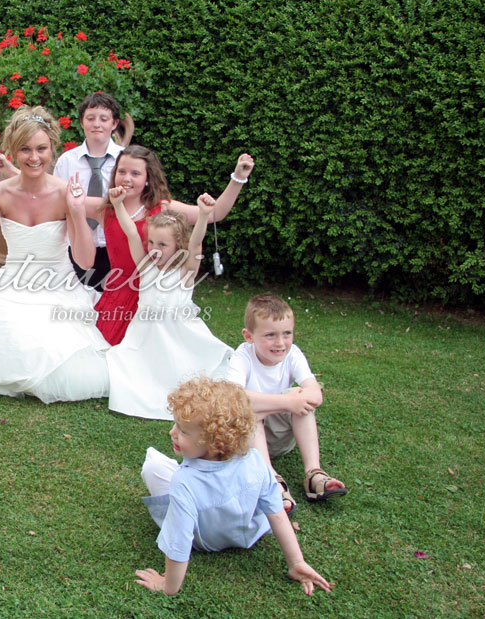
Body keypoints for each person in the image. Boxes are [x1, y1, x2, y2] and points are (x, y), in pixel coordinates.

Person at [0, 105, 109, 403]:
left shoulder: (67, 192)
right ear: (13, 151)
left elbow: (86, 261)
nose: (34, 157)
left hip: (58, 287)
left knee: (46, 341)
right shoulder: (0, 192)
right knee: (2, 324)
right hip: (12, 283)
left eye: (41, 149)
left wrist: (77, 213)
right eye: (25, 149)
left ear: (53, 149)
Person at [136, 378, 333, 596]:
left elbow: (179, 541)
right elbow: (276, 512)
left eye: (183, 431)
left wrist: (168, 587)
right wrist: (296, 561)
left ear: (212, 443)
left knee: (153, 465)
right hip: (248, 532)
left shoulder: (184, 482)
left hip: (206, 541)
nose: (172, 433)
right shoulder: (256, 460)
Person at [91, 146, 253, 345]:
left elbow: (214, 214)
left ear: (148, 177)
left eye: (135, 173)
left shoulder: (164, 207)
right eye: (122, 171)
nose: (127, 178)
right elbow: (71, 201)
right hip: (119, 292)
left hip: (156, 285)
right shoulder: (104, 208)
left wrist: (237, 178)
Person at [105, 192, 234, 419]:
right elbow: (132, 233)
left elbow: (196, 243)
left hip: (179, 336)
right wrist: (118, 205)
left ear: (178, 245)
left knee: (188, 374)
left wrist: (203, 215)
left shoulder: (185, 271)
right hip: (145, 337)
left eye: (163, 244)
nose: (155, 248)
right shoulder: (146, 267)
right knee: (132, 371)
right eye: (152, 242)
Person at [227, 293, 347, 515]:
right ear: (249, 336)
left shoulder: (293, 354)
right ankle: (271, 478)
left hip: (283, 438)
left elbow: (316, 395)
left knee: (301, 394)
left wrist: (294, 399)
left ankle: (314, 473)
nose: (280, 343)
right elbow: (232, 398)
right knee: (246, 406)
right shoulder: (242, 356)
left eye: (287, 334)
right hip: (249, 440)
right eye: (270, 335)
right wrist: (286, 402)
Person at [52, 92, 125, 290]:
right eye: (90, 118)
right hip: (77, 248)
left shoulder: (125, 159)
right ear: (82, 123)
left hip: (118, 247)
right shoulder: (67, 161)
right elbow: (57, 205)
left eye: (104, 119)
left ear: (114, 123)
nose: (97, 124)